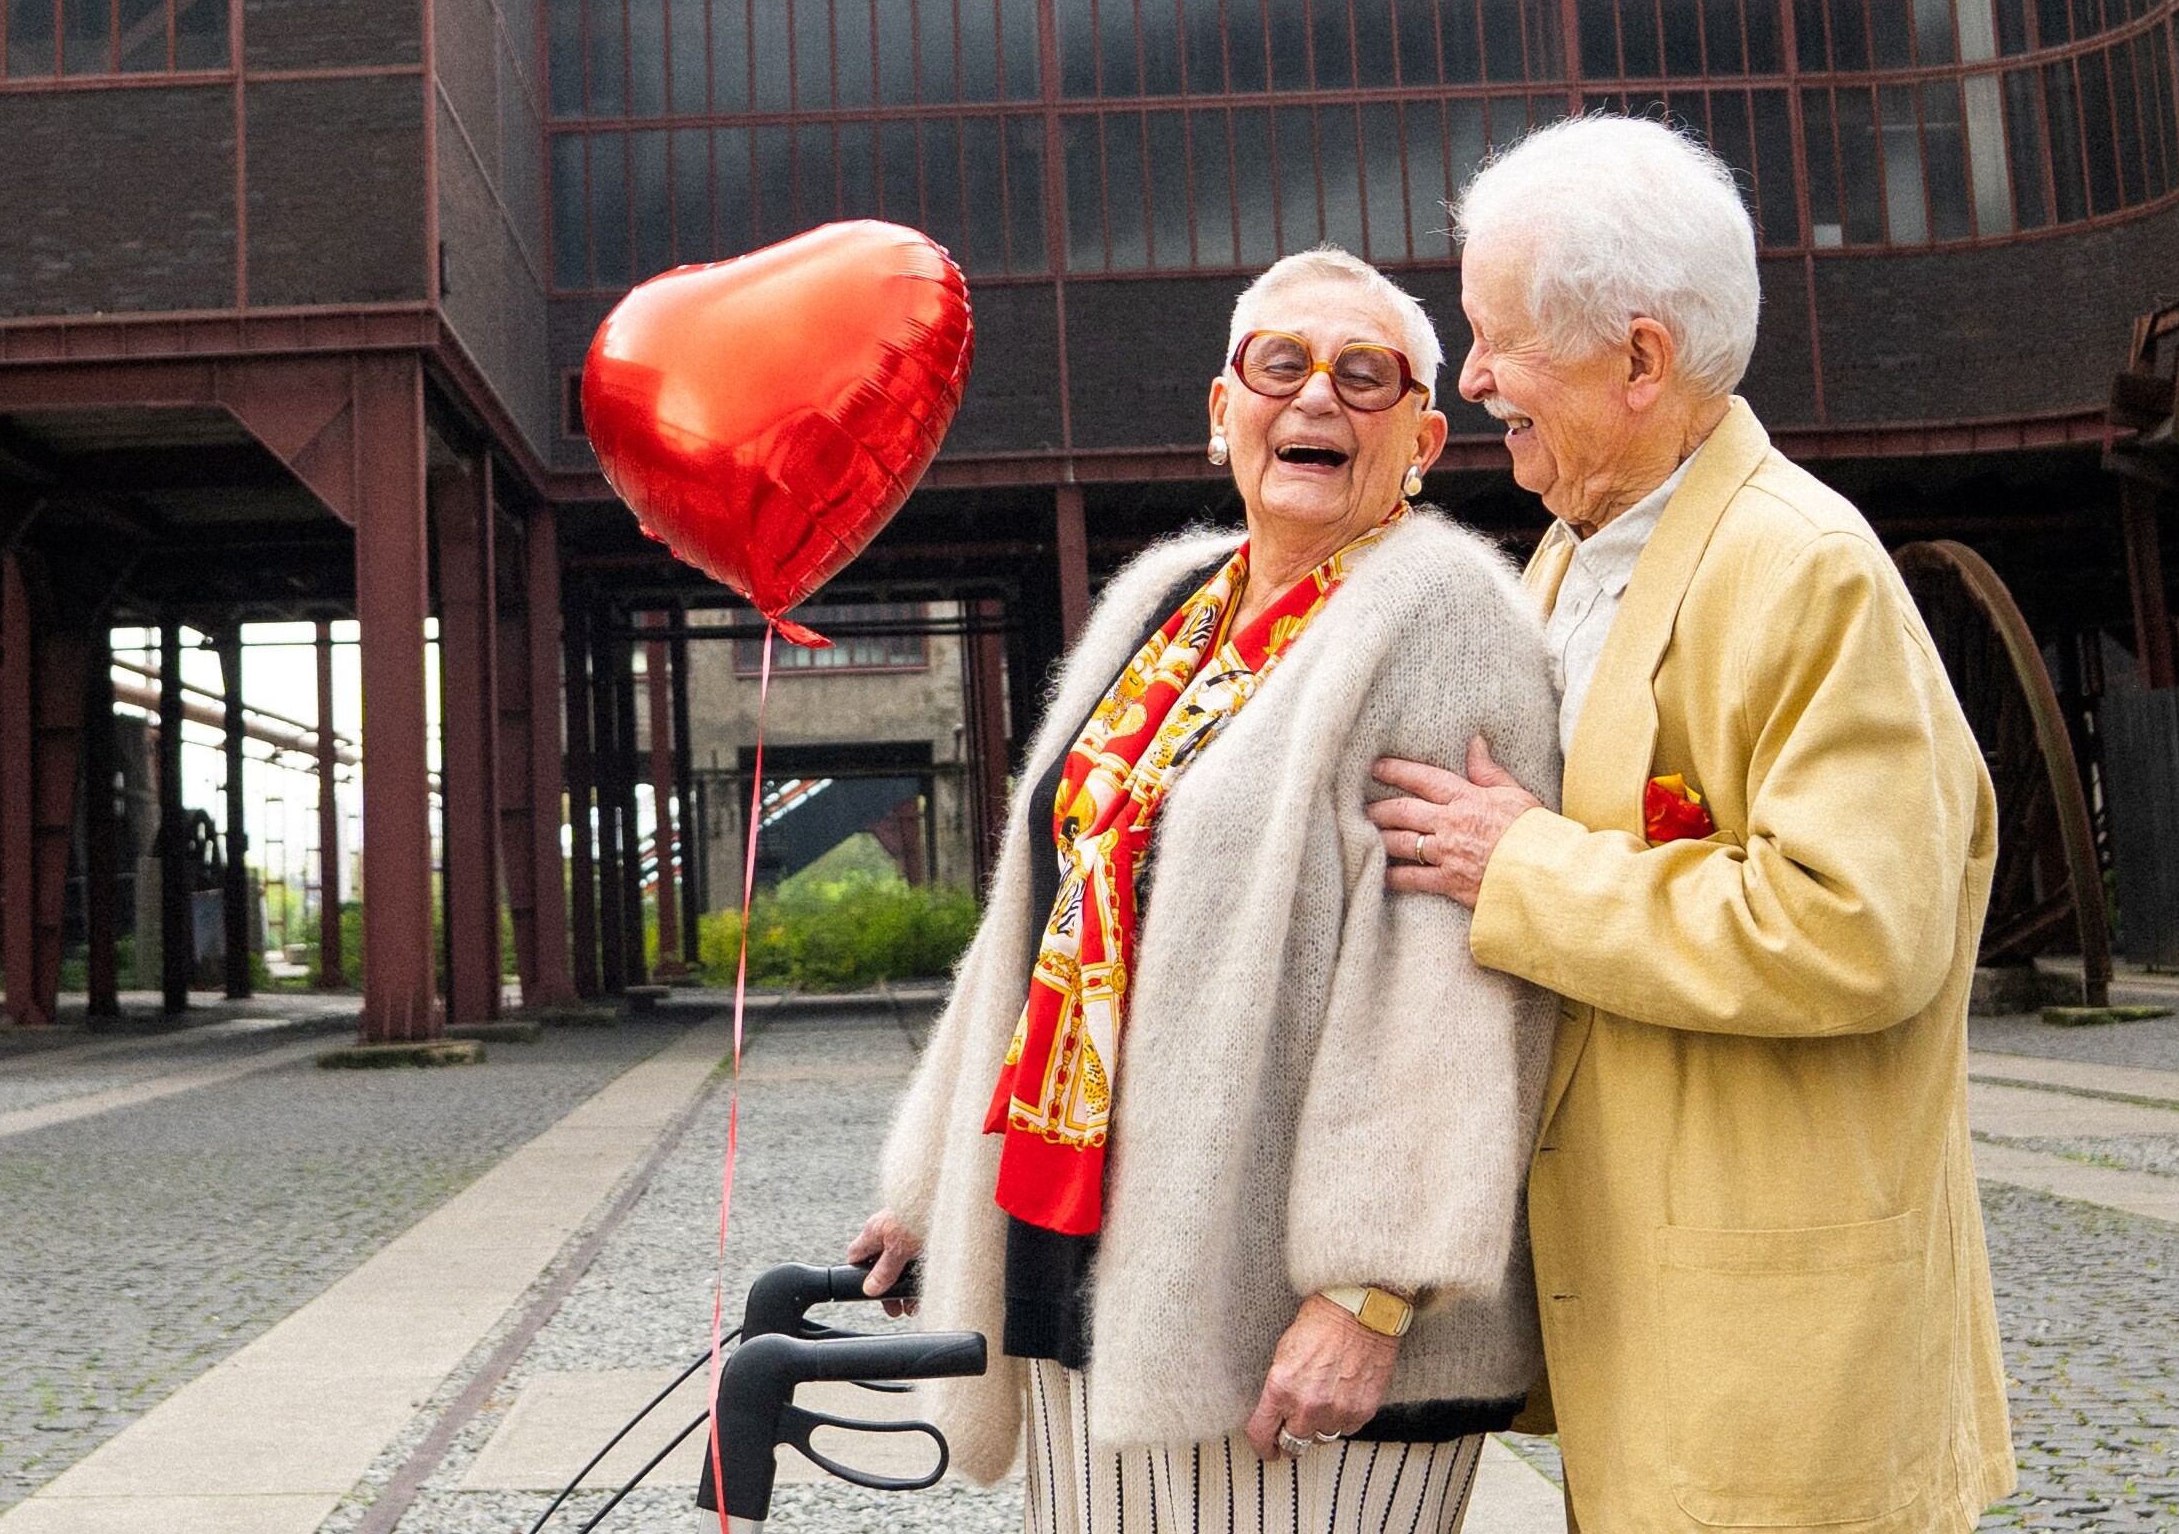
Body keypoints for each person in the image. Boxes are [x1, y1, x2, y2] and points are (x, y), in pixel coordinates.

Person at [1362, 114, 2013, 1533]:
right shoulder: (1566, 556)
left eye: (1497, 338)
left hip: (1781, 1356)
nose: (1470, 379)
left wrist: (1521, 864)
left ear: (1640, 360)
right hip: (1651, 1326)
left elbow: (1859, 928)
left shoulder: (1806, 570)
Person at [849, 246, 1563, 1534]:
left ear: (1424, 436)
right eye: (1280, 365)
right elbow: (1047, 906)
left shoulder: (1444, 618)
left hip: (1278, 1315)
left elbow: (1449, 977)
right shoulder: (1163, 596)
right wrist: (928, 1187)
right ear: (1221, 409)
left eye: (1366, 376)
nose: (1317, 399)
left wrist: (1371, 1288)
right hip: (1082, 1251)